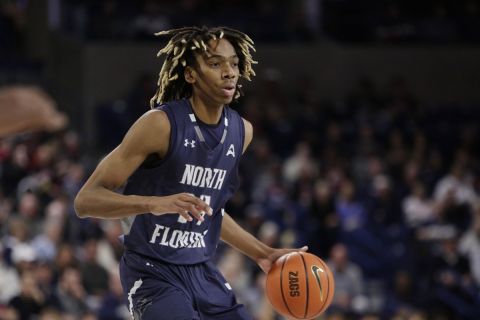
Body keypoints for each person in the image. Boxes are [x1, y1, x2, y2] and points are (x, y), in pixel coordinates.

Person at [74, 26, 307, 320]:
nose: (229, 72)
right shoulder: (160, 125)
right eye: (215, 63)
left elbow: (210, 212)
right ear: (190, 75)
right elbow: (85, 201)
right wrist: (151, 203)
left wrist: (262, 252)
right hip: (152, 272)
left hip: (202, 271)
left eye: (234, 63)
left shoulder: (241, 132)